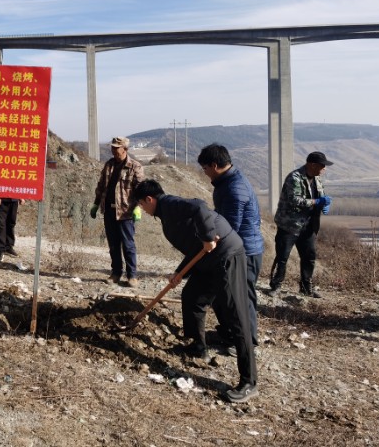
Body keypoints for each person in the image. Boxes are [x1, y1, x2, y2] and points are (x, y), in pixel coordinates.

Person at [133, 179, 258, 403]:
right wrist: (180, 272)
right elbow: (194, 245)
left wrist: (209, 237)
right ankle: (197, 347)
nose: (142, 209)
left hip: (226, 255)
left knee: (235, 315)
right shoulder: (165, 213)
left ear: (149, 199)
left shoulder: (169, 203)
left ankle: (249, 382)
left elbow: (200, 206)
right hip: (208, 259)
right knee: (192, 297)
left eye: (141, 204)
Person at [198, 144, 264, 349]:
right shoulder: (229, 181)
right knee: (224, 294)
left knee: (242, 298)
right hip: (239, 248)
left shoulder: (235, 189)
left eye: (205, 168)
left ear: (214, 165)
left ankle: (247, 343)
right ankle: (231, 334)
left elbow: (229, 227)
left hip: (245, 252)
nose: (205, 173)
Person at [269, 151, 334, 298]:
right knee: (282, 257)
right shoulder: (294, 178)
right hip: (289, 225)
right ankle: (276, 286)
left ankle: (306, 288)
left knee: (309, 257)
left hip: (308, 226)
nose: (324, 168)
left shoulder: (317, 179)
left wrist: (324, 203)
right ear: (312, 165)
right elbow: (295, 200)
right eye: (322, 165)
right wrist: (316, 202)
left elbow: (321, 195)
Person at [91, 136, 145, 287]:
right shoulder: (109, 165)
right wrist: (96, 204)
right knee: (113, 245)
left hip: (125, 212)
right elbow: (101, 186)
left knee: (128, 245)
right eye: (112, 147)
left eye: (116, 148)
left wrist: (138, 207)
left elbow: (141, 190)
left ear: (125, 149)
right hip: (109, 210)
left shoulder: (135, 167)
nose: (113, 150)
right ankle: (116, 273)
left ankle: (132, 275)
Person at [0, 197, 22, 262]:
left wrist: (21, 197)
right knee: (0, 225)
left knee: (11, 223)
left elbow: (20, 189)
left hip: (14, 200)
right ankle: (0, 250)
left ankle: (8, 247)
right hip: (1, 200)